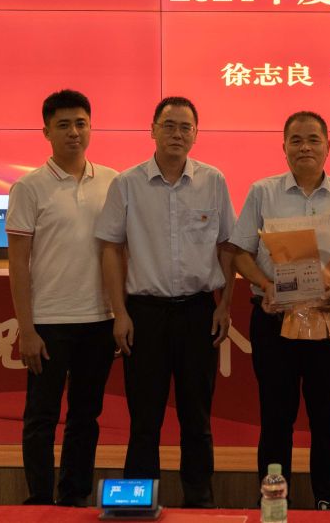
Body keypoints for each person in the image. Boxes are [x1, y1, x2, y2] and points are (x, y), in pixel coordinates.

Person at [95, 96, 236, 508]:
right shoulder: (127, 183)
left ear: (196, 134)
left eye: (185, 127)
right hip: (145, 314)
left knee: (197, 418)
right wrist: (119, 312)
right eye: (169, 125)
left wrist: (225, 305)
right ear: (153, 130)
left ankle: (200, 502)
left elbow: (228, 246)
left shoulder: (213, 181)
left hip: (198, 311)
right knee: (145, 419)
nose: (177, 134)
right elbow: (110, 249)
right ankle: (138, 503)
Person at [229, 111, 330, 510]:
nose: (305, 147)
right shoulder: (262, 192)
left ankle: (328, 500)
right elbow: (240, 253)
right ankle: (274, 501)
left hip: (327, 319)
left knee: (327, 417)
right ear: (284, 147)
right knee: (275, 418)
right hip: (274, 319)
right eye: (296, 140)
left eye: (313, 139)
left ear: (328, 146)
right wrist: (267, 285)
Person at [6, 89, 117, 507]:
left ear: (91, 127)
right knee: (41, 416)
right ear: (47, 132)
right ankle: (38, 500)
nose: (74, 132)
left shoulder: (112, 181)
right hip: (48, 323)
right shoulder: (29, 187)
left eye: (81, 123)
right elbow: (18, 264)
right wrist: (27, 329)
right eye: (64, 125)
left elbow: (119, 252)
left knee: (86, 417)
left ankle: (73, 499)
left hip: (99, 319)